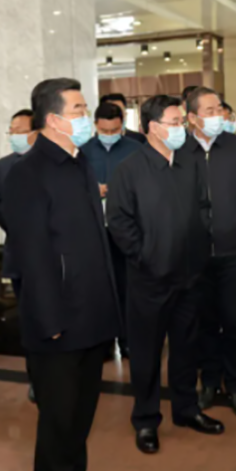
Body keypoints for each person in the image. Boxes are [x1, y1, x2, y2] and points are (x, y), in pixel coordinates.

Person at [3, 78, 119, 471]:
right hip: (57, 319)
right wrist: (49, 320)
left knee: (83, 410)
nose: (87, 117)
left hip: (92, 312)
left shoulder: (80, 162)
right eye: (78, 109)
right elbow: (31, 256)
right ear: (53, 119)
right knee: (57, 415)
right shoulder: (27, 173)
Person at [107, 94, 224, 454]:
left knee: (187, 347)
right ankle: (146, 419)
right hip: (150, 278)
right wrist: (145, 256)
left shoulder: (189, 163)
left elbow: (203, 207)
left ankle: (186, 409)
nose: (181, 128)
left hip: (190, 275)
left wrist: (201, 247)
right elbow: (119, 222)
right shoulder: (128, 169)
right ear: (153, 128)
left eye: (181, 122)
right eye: (175, 123)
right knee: (147, 353)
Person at [184, 87, 236, 418]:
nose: (217, 115)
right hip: (196, 253)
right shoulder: (182, 150)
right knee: (204, 321)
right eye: (209, 111)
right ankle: (209, 381)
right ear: (192, 118)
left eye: (219, 109)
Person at [82, 101, 142, 359]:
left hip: (127, 230)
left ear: (122, 126)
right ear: (95, 125)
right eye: (104, 131)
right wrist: (91, 190)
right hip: (94, 230)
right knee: (100, 289)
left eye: (114, 130)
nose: (109, 135)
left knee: (127, 287)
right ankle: (103, 341)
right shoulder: (81, 152)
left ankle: (128, 339)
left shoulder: (136, 150)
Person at [0, 108, 37, 404]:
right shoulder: (1, 168)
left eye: (20, 131)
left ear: (36, 132)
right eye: (12, 131)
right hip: (21, 254)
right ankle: (36, 378)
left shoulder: (53, 163)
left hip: (58, 257)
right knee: (29, 319)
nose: (14, 136)